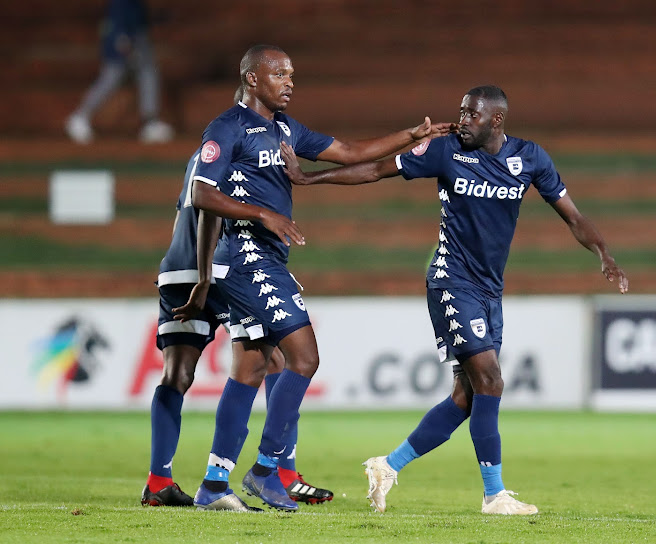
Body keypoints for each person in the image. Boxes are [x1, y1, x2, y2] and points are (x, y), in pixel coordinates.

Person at [280, 84, 629, 515]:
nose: (462, 120)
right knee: (491, 381)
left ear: (496, 120)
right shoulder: (444, 152)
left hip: (488, 289)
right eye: (461, 112)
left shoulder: (531, 158)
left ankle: (387, 467)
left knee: (466, 398)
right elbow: (373, 171)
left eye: (471, 115)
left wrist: (604, 254)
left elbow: (573, 215)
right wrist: (308, 178)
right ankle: (494, 495)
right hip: (451, 281)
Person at [185, 44, 452, 512]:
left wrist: (410, 135)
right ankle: (266, 471)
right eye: (280, 74)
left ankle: (213, 484)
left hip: (264, 259)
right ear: (252, 79)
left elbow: (348, 152)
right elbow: (201, 193)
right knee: (303, 357)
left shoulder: (285, 129)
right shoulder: (227, 128)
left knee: (248, 370)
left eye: (292, 74)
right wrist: (263, 214)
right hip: (248, 258)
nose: (289, 81)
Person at [141, 137, 334, 508]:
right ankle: (278, 473)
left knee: (177, 375)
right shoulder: (237, 148)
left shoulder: (202, 154)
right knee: (275, 360)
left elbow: (191, 207)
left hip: (178, 266)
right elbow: (218, 213)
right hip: (216, 269)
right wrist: (210, 276)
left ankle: (159, 480)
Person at [65, 0, 173, 144]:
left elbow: (139, 16)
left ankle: (150, 123)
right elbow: (119, 13)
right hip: (124, 37)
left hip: (134, 36)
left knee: (147, 74)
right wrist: (121, 37)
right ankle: (80, 116)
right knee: (112, 78)